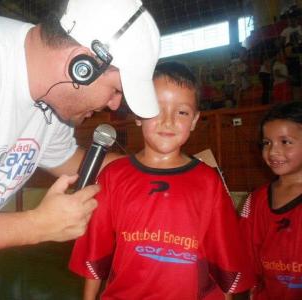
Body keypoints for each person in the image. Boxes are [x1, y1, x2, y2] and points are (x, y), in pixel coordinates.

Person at [0, 0, 161, 298]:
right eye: (116, 90)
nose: (115, 105)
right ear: (81, 67)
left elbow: (70, 161)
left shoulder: (52, 93)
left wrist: (160, 172)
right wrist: (37, 225)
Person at [69, 62, 253, 299]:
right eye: (157, 109)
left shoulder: (209, 182)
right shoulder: (113, 176)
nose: (168, 121)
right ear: (138, 113)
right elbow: (96, 249)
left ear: (195, 120)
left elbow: (223, 259)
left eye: (182, 112)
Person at [240, 101, 302, 300]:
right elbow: (245, 255)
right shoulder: (256, 200)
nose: (273, 151)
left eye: (285, 142)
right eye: (267, 143)